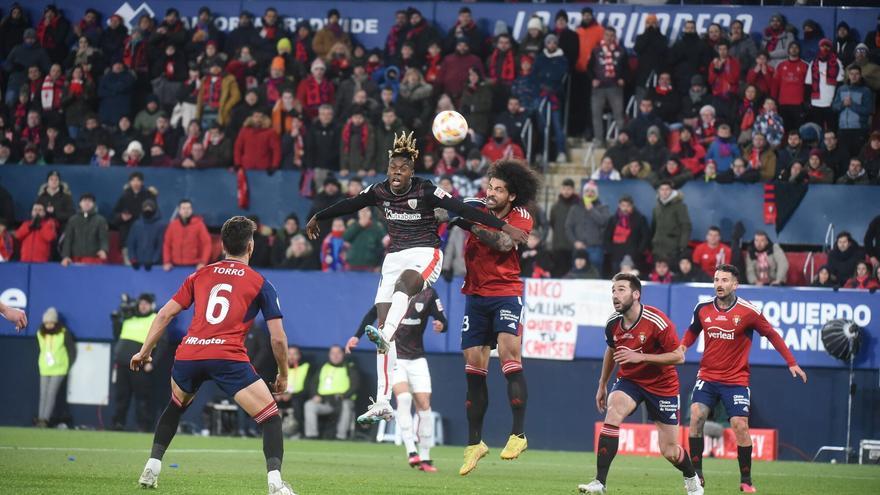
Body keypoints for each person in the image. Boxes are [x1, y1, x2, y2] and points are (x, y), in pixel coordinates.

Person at [306, 133, 528, 425]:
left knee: (398, 301)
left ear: (412, 171)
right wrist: (318, 216)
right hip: (394, 258)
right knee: (386, 326)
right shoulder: (379, 191)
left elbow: (461, 209)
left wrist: (505, 228)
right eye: (393, 167)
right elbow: (349, 204)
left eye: (403, 168)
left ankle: (385, 335)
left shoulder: (427, 190)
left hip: (425, 254)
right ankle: (383, 401)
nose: (396, 172)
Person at [130, 216, 296, 494]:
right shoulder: (260, 283)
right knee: (269, 417)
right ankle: (276, 485)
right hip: (227, 356)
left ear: (222, 246)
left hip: (190, 353)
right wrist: (283, 374)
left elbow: (166, 313)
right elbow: (277, 338)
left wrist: (144, 351)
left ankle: (152, 466)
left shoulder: (199, 274)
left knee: (176, 405)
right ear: (250, 247)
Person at [445, 159, 538, 476]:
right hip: (475, 296)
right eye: (490, 187)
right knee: (473, 367)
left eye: (499, 189)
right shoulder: (475, 207)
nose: (492, 193)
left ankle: (518, 435)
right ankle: (475, 445)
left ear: (511, 196)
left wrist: (468, 222)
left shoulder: (520, 216)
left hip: (505, 293)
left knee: (510, 356)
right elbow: (442, 211)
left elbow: (502, 243)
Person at [681, 264, 806, 492]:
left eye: (725, 280)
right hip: (707, 376)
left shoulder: (749, 312)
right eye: (717, 279)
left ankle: (746, 480)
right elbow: (692, 331)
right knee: (697, 416)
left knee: (740, 426)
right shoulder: (703, 308)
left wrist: (791, 362)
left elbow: (771, 334)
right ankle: (697, 475)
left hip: (736, 379)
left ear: (735, 284)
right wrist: (682, 347)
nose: (719, 284)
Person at [579, 273, 701, 495]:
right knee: (614, 410)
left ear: (636, 294)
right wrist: (602, 383)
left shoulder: (657, 321)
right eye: (613, 291)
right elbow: (611, 349)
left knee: (670, 450)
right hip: (630, 381)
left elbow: (679, 357)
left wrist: (642, 357)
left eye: (621, 290)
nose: (615, 295)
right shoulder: (612, 323)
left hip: (662, 385)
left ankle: (692, 478)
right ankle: (600, 483)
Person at [349, 287, 446, 471]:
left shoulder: (428, 294)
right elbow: (372, 313)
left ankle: (425, 457)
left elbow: (443, 319)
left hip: (418, 359)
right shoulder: (394, 291)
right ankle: (411, 451)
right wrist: (356, 336)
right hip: (396, 357)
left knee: (425, 406)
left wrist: (441, 325)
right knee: (403, 398)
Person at [111, 294, 159, 431]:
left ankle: (143, 427)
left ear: (151, 305)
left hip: (141, 365)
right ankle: (118, 424)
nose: (143, 306)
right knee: (121, 397)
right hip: (122, 364)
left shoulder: (155, 318)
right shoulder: (128, 317)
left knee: (142, 399)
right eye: (141, 303)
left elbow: (162, 344)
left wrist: (153, 363)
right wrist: (115, 321)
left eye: (146, 303)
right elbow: (117, 336)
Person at [302, 345, 359, 440]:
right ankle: (311, 436)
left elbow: (355, 385)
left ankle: (341, 436)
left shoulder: (349, 368)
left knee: (346, 405)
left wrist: (343, 396)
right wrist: (315, 395)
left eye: (338, 353)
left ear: (343, 354)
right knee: (309, 404)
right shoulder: (323, 367)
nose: (335, 356)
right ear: (329, 355)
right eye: (333, 353)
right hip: (325, 402)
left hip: (341, 400)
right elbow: (313, 383)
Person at [35, 307, 76, 427]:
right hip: (45, 367)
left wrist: (68, 365)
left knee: (51, 394)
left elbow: (71, 350)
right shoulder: (40, 333)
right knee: (43, 394)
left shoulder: (64, 333)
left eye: (51, 322)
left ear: (55, 322)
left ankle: (45, 420)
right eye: (46, 323)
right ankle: (40, 418)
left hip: (59, 368)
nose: (48, 325)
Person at [589, 26, 627, 147]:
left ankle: (621, 140)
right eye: (607, 35)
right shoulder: (596, 50)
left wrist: (623, 78)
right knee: (596, 114)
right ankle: (599, 139)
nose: (609, 38)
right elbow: (589, 67)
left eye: (612, 36)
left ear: (615, 37)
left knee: (618, 114)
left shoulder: (621, 51)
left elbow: (627, 68)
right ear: (603, 36)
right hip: (599, 87)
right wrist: (593, 79)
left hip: (615, 87)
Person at [564, 181, 611, 272]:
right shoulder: (575, 208)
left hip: (595, 248)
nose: (589, 193)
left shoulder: (603, 207)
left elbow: (604, 222)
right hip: (579, 248)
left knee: (595, 273)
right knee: (578, 274)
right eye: (587, 191)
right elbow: (568, 227)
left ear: (596, 194)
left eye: (592, 191)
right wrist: (575, 242)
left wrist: (591, 210)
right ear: (583, 193)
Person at [832, 65, 875, 157]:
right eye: (851, 74)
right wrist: (843, 104)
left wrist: (852, 105)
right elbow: (834, 107)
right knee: (843, 157)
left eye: (856, 74)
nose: (854, 76)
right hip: (842, 129)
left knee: (858, 157)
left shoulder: (866, 91)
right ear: (848, 75)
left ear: (860, 75)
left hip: (859, 130)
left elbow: (868, 110)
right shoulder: (841, 89)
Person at [603, 195, 650, 277]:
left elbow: (645, 237)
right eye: (623, 206)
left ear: (632, 206)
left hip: (634, 256)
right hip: (617, 256)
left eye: (628, 206)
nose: (625, 208)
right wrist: (611, 251)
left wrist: (639, 251)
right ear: (619, 206)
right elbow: (607, 236)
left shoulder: (640, 219)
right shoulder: (613, 219)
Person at [60, 193, 108, 267]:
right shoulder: (73, 220)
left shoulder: (100, 220)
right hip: (75, 259)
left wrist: (104, 250)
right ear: (80, 203)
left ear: (94, 204)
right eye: (84, 200)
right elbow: (68, 239)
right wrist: (66, 256)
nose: (87, 203)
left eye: (89, 201)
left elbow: (104, 238)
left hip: (94, 259)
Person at [162, 199, 212, 271]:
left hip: (193, 267)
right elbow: (167, 244)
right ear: (179, 211)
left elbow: (207, 244)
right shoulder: (172, 225)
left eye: (188, 208)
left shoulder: (199, 225)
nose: (186, 210)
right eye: (183, 208)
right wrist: (167, 261)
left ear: (191, 210)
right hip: (174, 267)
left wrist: (203, 262)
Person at [275, 346, 312, 438]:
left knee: (296, 402)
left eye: (294, 354)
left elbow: (308, 388)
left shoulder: (306, 367)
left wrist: (291, 395)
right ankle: (271, 431)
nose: (291, 357)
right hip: (283, 395)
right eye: (289, 354)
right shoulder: (280, 367)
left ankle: (297, 431)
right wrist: (278, 394)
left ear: (299, 356)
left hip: (299, 396)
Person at [651, 181, 692, 263]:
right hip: (657, 250)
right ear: (659, 191)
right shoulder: (656, 208)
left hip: (672, 249)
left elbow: (686, 226)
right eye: (662, 189)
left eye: (667, 189)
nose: (664, 192)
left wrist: (682, 246)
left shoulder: (680, 206)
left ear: (672, 191)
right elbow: (654, 228)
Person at [127, 199, 165, 271]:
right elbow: (131, 243)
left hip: (155, 266)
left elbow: (160, 245)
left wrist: (153, 261)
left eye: (150, 208)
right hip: (137, 265)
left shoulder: (161, 225)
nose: (148, 210)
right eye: (145, 208)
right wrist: (133, 259)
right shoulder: (136, 224)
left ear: (154, 209)